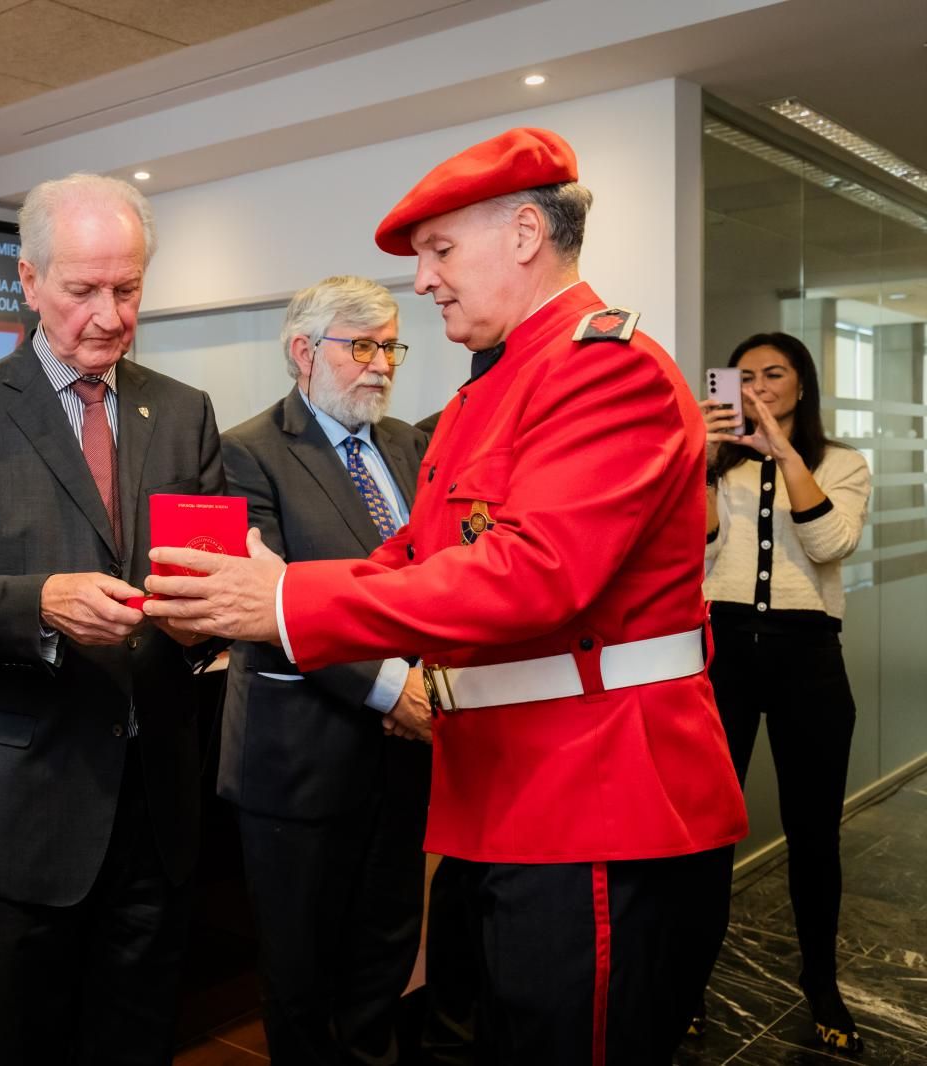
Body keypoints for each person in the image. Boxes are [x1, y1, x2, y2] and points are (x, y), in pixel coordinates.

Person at [143, 127, 749, 1063]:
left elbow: (534, 575)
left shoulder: (603, 370)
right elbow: (412, 558)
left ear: (521, 233)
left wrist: (287, 604)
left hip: (597, 792)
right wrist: (263, 595)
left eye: (437, 251)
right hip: (510, 790)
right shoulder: (483, 398)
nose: (422, 283)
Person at [0, 172, 224, 1065]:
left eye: (129, 288)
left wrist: (209, 619)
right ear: (29, 282)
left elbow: (216, 577)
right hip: (26, 810)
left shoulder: (183, 412)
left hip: (159, 806)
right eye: (82, 291)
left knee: (139, 1038)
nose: (109, 314)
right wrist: (40, 603)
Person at [217, 275, 432, 1064]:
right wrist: (390, 686)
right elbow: (265, 606)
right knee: (301, 979)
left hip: (405, 753)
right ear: (304, 352)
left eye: (391, 347)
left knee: (383, 958)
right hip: (298, 760)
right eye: (362, 346)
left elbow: (436, 578)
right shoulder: (244, 452)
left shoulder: (412, 446)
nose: (381, 365)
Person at [699, 331, 871, 1053]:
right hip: (723, 653)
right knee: (706, 835)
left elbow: (831, 543)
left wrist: (784, 451)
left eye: (775, 375)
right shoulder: (714, 465)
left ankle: (822, 982)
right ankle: (688, 982)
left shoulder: (843, 463)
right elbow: (695, 546)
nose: (760, 387)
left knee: (813, 835)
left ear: (802, 384)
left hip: (809, 658)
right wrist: (703, 464)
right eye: (745, 377)